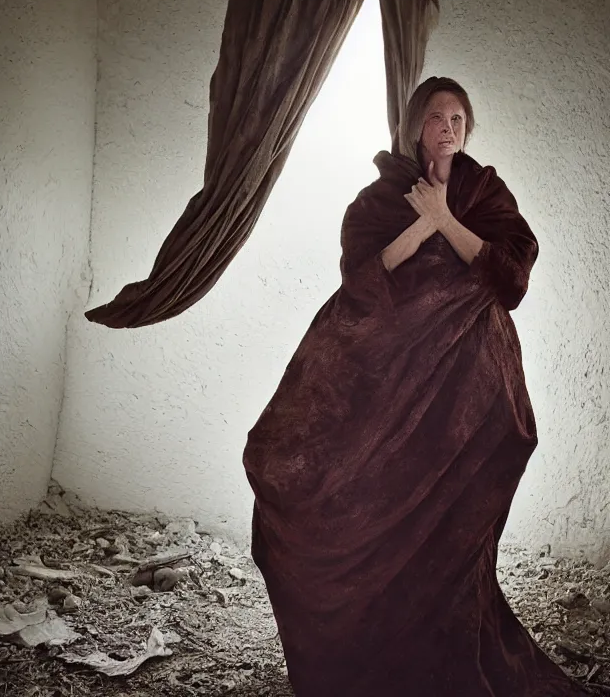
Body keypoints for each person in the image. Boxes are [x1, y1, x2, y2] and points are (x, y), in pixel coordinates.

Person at [243, 77, 590, 696]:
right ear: (415, 127)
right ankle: (371, 646)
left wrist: (445, 217)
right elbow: (361, 276)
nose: (450, 126)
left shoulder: (487, 193)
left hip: (466, 383)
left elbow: (509, 279)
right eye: (437, 116)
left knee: (449, 526)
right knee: (322, 477)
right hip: (392, 372)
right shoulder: (379, 198)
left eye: (459, 116)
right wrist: (421, 221)